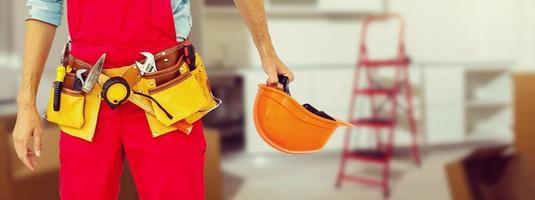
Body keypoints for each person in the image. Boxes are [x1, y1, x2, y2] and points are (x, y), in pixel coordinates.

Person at [12, 0, 294, 199]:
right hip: (87, 98)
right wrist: (26, 103)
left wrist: (266, 50)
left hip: (165, 92)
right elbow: (44, 7)